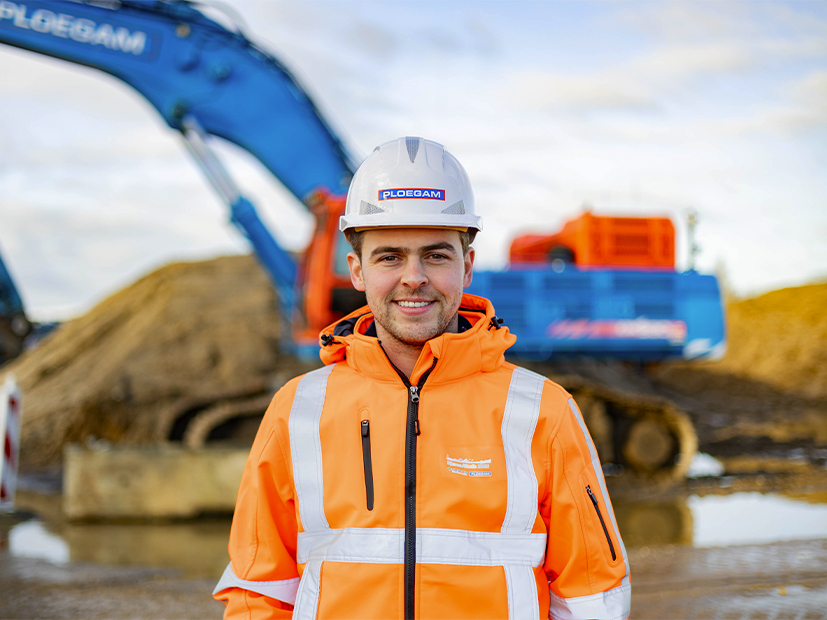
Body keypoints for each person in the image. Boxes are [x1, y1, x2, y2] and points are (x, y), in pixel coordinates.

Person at [213, 137, 630, 619]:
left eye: (436, 255)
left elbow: (592, 593)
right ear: (356, 270)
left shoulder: (543, 410)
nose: (414, 277)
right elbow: (257, 592)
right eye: (389, 256)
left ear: (467, 266)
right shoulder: (297, 410)